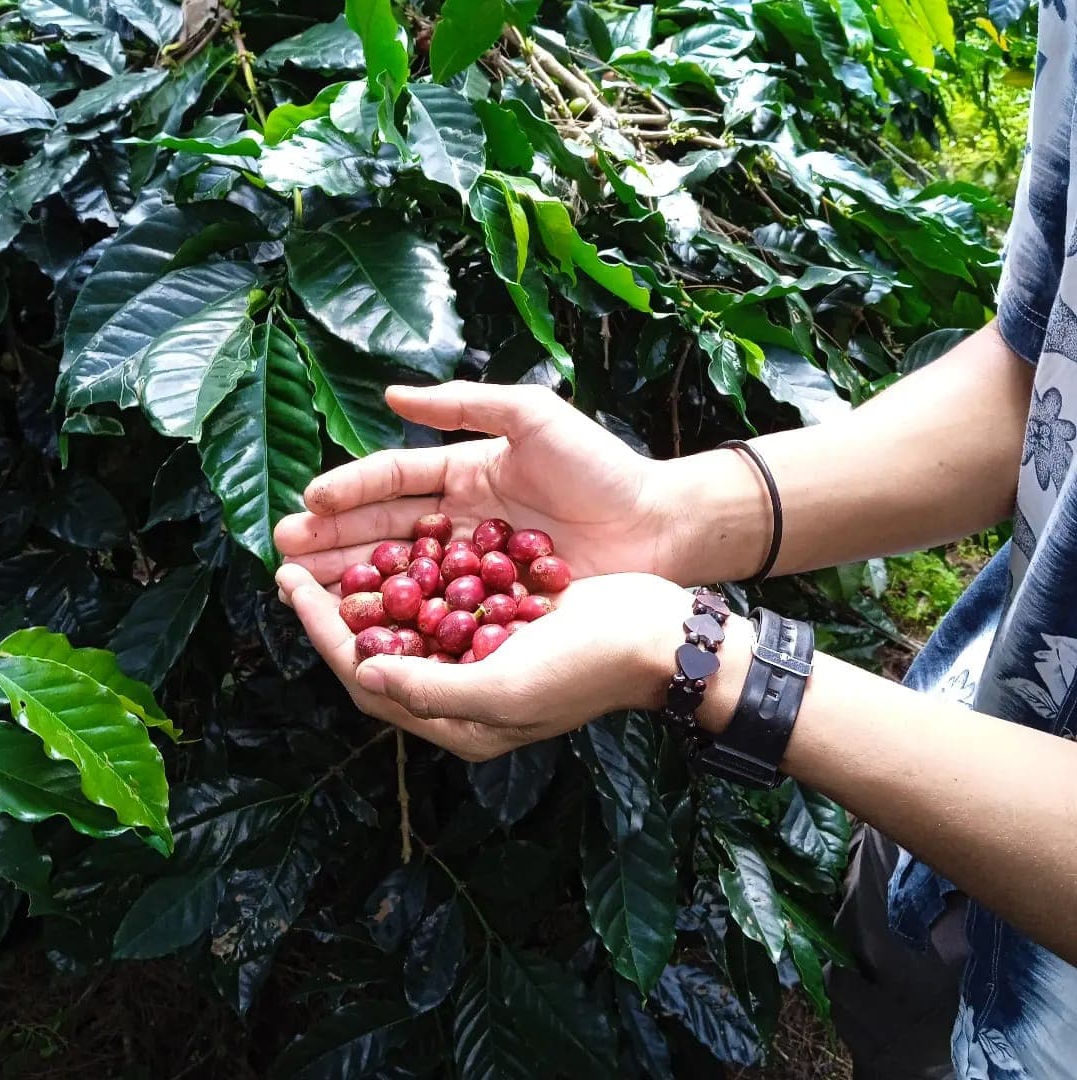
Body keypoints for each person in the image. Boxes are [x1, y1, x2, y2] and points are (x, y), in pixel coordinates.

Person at [273, 5, 1077, 1075]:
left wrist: (706, 659)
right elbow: (1041, 373)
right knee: (892, 1007)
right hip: (952, 774)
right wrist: (667, 514)